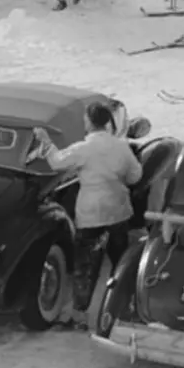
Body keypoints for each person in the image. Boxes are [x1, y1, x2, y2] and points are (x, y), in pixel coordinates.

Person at [32, 102, 143, 329]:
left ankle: (79, 317)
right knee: (121, 265)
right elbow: (135, 176)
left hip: (91, 216)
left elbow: (57, 162)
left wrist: (45, 140)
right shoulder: (121, 147)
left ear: (90, 122)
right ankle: (121, 312)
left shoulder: (84, 148)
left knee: (86, 267)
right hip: (118, 212)